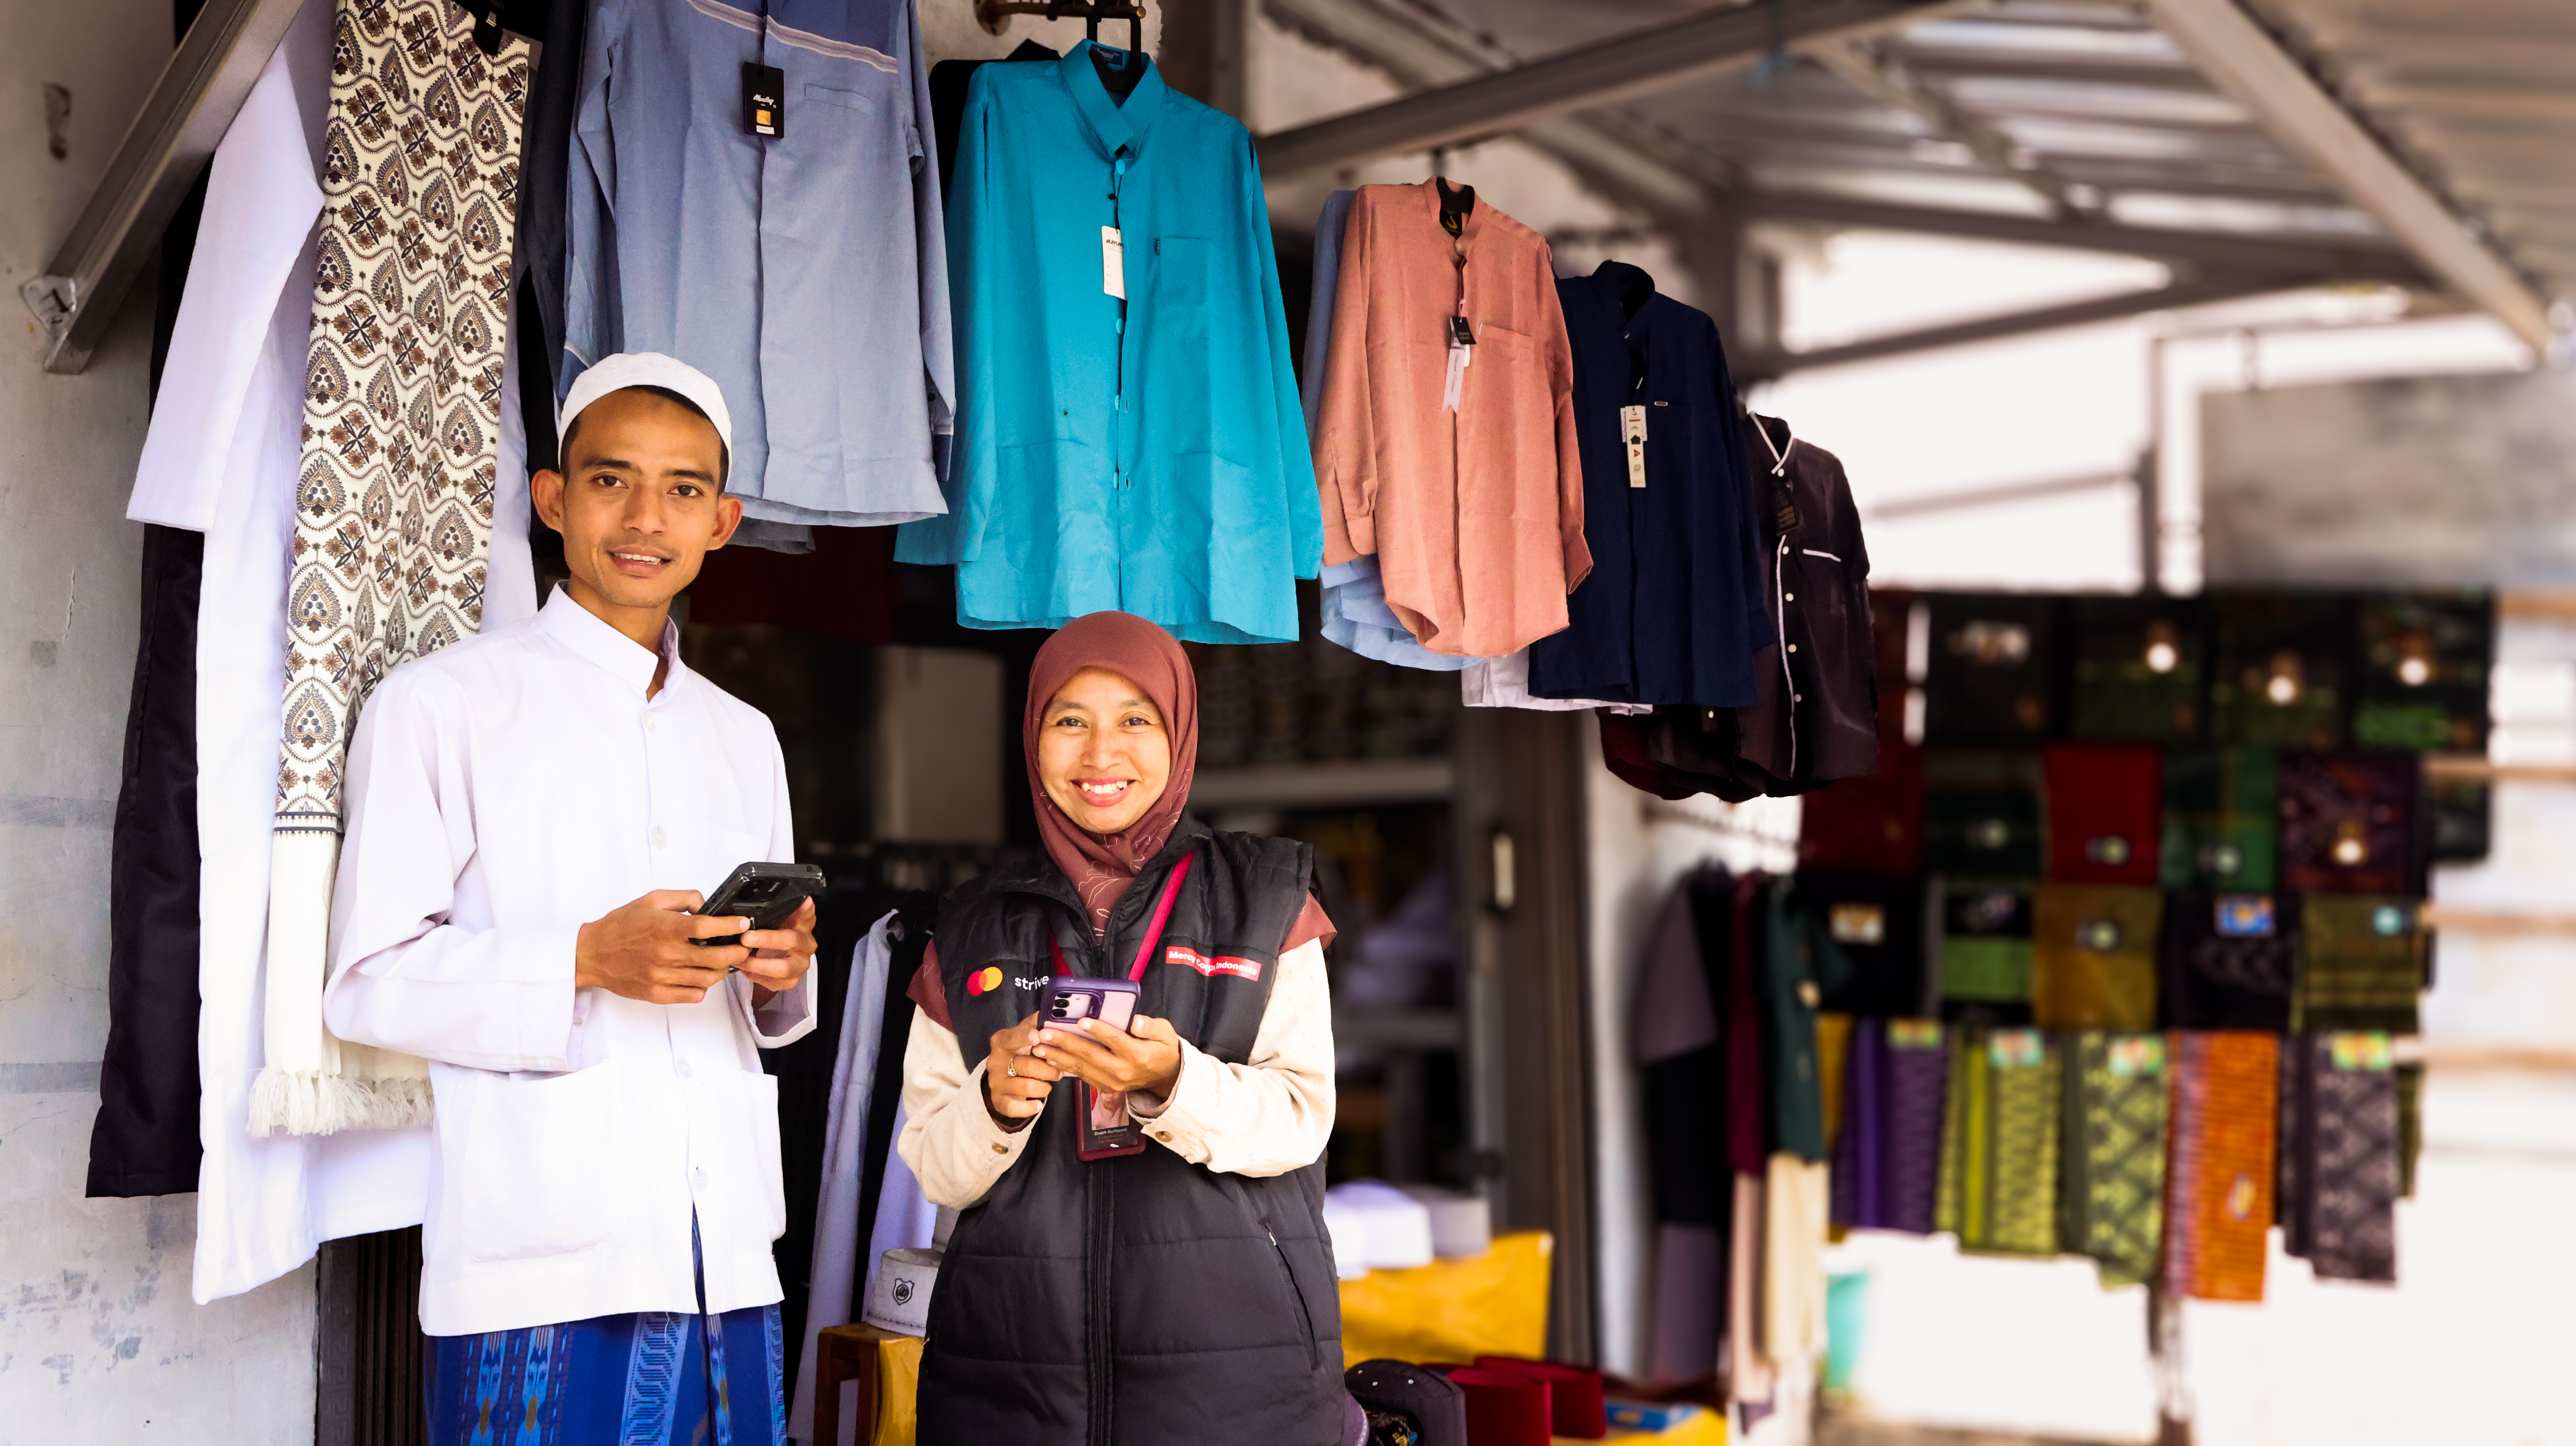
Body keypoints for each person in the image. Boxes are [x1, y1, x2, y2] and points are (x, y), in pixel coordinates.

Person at [323, 352, 820, 1444]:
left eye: (684, 489)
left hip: (729, 1257)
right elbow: (366, 984)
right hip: (539, 1263)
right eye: (611, 480)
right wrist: (586, 958)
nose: (647, 516)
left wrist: (781, 975)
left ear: (724, 522)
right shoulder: (442, 705)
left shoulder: (745, 736)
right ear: (553, 499)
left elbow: (767, 1005)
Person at [897, 611, 1346, 1445]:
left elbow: (1299, 1119)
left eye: (1135, 720)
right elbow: (935, 1165)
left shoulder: (1267, 901)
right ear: (1033, 738)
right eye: (1071, 720)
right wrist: (993, 1102)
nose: (1101, 755)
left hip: (1235, 1390)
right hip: (1010, 1386)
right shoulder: (969, 928)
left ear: (1178, 733)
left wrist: (1172, 1082)